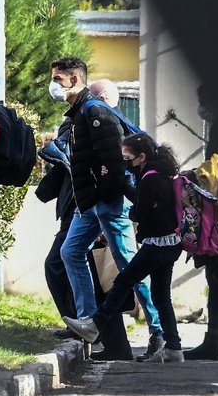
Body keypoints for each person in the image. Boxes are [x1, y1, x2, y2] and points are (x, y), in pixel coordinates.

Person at [49, 57, 165, 359]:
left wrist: (105, 198)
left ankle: (159, 329)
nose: (54, 85)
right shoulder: (78, 115)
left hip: (106, 202)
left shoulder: (95, 111)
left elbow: (116, 162)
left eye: (58, 79)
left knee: (127, 264)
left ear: (75, 80)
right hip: (90, 203)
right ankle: (89, 322)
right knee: (70, 252)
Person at [64, 133, 185, 363]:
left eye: (127, 157)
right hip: (170, 243)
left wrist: (131, 208)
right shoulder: (159, 173)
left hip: (157, 244)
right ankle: (173, 347)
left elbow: (139, 212)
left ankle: (94, 325)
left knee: (123, 281)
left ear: (141, 157)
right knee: (161, 295)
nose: (124, 162)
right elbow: (143, 202)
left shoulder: (150, 178)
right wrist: (125, 185)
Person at [36, 118, 134, 360]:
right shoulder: (81, 123)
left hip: (88, 210)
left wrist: (101, 219)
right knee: (89, 272)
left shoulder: (102, 125)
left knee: (84, 269)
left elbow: (111, 176)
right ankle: (104, 337)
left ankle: (93, 328)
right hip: (82, 208)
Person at [183, 85, 218, 360]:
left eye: (203, 102)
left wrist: (192, 175)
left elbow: (216, 168)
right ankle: (213, 340)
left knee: (216, 279)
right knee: (216, 280)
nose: (202, 110)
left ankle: (213, 340)